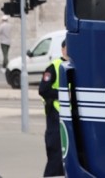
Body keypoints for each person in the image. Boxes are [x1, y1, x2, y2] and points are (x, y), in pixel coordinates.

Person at [39, 39, 68, 177]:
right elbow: (43, 90)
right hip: (55, 115)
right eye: (67, 48)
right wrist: (64, 94)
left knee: (66, 157)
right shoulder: (54, 67)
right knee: (55, 155)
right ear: (62, 49)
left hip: (69, 116)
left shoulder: (76, 66)